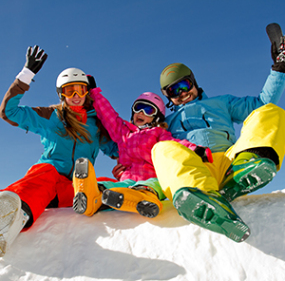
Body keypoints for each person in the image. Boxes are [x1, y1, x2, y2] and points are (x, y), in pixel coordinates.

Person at [149, 34, 285, 242]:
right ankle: (203, 198)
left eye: (184, 85)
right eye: (174, 91)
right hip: (200, 169)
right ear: (168, 97)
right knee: (161, 149)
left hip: (232, 160)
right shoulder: (167, 122)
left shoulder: (222, 103)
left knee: (270, 112)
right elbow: (133, 141)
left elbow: (262, 104)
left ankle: (248, 165)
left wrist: (279, 69)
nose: (182, 93)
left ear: (193, 81)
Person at [0, 46, 118, 257]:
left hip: (74, 188)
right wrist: (26, 75)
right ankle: (11, 215)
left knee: (106, 183)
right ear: (61, 94)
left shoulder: (96, 124)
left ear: (87, 92)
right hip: (48, 180)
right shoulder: (51, 116)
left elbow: (117, 150)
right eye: (68, 90)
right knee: (45, 174)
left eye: (80, 89)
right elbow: (9, 112)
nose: (75, 95)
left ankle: (130, 196)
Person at [72, 75, 213, 219]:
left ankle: (146, 201)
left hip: (152, 178)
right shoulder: (124, 133)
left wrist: (196, 150)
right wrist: (95, 93)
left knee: (154, 185)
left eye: (148, 110)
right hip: (128, 179)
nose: (141, 113)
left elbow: (175, 146)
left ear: (156, 117)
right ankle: (92, 195)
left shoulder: (158, 133)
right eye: (138, 108)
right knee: (110, 186)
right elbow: (108, 116)